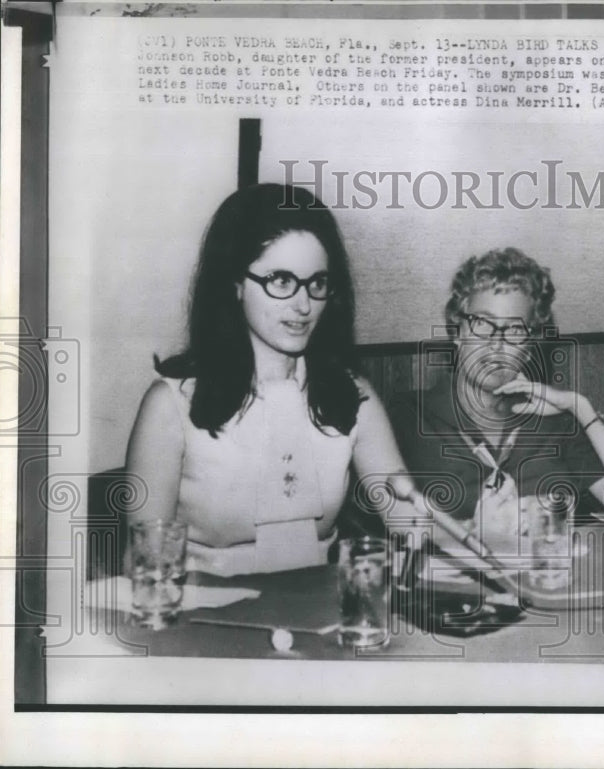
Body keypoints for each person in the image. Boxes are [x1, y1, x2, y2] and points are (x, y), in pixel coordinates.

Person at [125, 184, 426, 575]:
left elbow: (411, 520)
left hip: (321, 620)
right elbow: (144, 566)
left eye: (316, 283)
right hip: (204, 625)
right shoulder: (171, 403)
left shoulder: (353, 396)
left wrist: (491, 535)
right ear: (234, 282)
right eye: (281, 281)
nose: (303, 305)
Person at [389, 248, 604, 554]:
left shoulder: (555, 424)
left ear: (530, 348)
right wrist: (477, 533)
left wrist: (581, 409)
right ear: (458, 331)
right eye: (482, 322)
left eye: (516, 329)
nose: (497, 342)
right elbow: (392, 539)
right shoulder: (407, 419)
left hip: (553, 589)